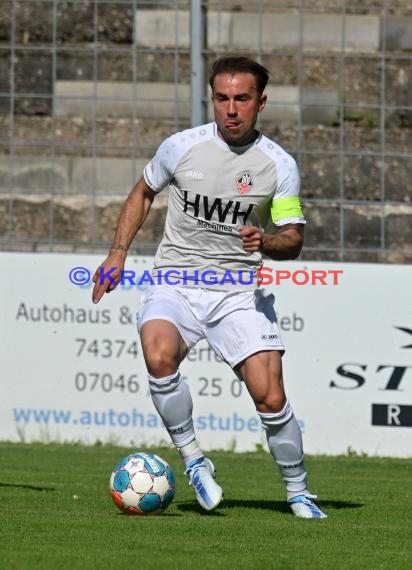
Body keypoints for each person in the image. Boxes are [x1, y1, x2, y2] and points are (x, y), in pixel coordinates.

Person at [92, 55, 326, 519]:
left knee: (271, 397)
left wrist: (268, 240)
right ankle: (195, 462)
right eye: (222, 98)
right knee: (158, 355)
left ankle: (299, 492)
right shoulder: (181, 146)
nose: (231, 109)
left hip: (238, 293)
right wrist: (117, 252)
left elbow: (294, 238)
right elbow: (142, 192)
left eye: (242, 99)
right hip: (175, 281)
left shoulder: (279, 166)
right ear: (212, 100)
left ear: (261, 103)